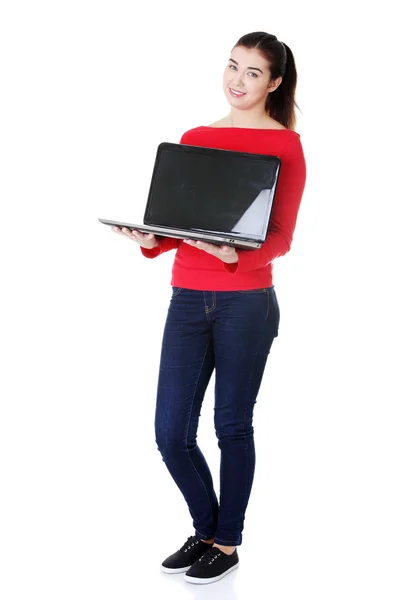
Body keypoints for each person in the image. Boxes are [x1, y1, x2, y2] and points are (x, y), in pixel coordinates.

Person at [112, 31, 307, 585]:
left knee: (231, 427)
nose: (237, 80)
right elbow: (180, 228)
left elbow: (282, 237)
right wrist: (151, 241)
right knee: (171, 432)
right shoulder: (195, 136)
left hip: (248, 304)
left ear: (273, 83)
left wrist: (233, 256)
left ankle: (226, 542)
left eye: (252, 72)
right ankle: (205, 530)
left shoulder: (286, 146)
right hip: (187, 298)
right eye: (232, 66)